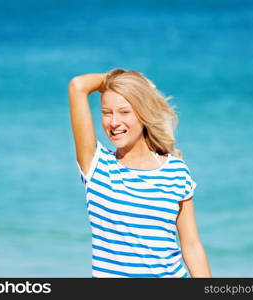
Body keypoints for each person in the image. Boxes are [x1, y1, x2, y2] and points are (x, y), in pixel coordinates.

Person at [68, 68, 212, 278]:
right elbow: (78, 86)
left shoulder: (176, 171)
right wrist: (113, 78)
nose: (114, 122)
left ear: (143, 114)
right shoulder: (97, 166)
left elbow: (192, 246)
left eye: (124, 112)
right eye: (107, 113)